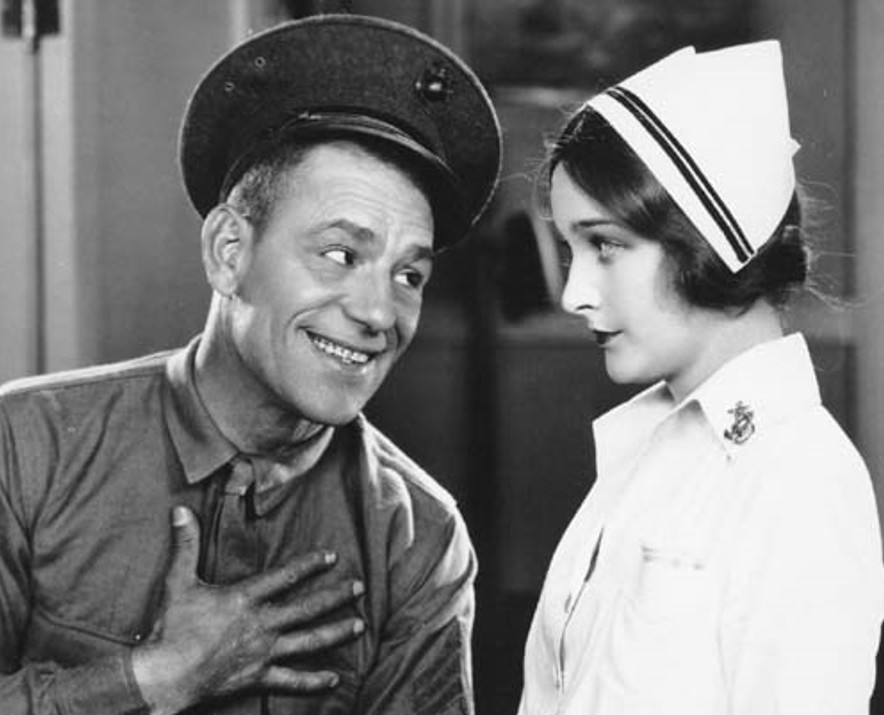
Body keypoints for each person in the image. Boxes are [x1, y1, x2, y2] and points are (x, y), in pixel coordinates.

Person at [0, 13, 501, 715]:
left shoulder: (416, 536)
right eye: (340, 255)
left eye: (408, 275)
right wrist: (152, 679)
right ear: (229, 252)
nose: (379, 313)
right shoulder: (27, 448)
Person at [518, 40, 884, 714]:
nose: (574, 294)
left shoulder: (797, 481)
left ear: (704, 245)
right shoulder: (644, 454)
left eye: (605, 246)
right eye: (572, 250)